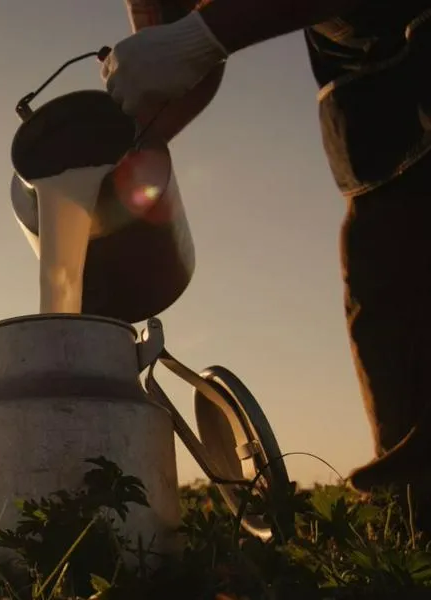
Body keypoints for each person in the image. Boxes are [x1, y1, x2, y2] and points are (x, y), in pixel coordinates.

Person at [100, 0, 431, 532]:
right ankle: (411, 523)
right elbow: (194, 63)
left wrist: (198, 38)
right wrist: (139, 132)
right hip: (378, 118)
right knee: (385, 305)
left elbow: (202, 41)